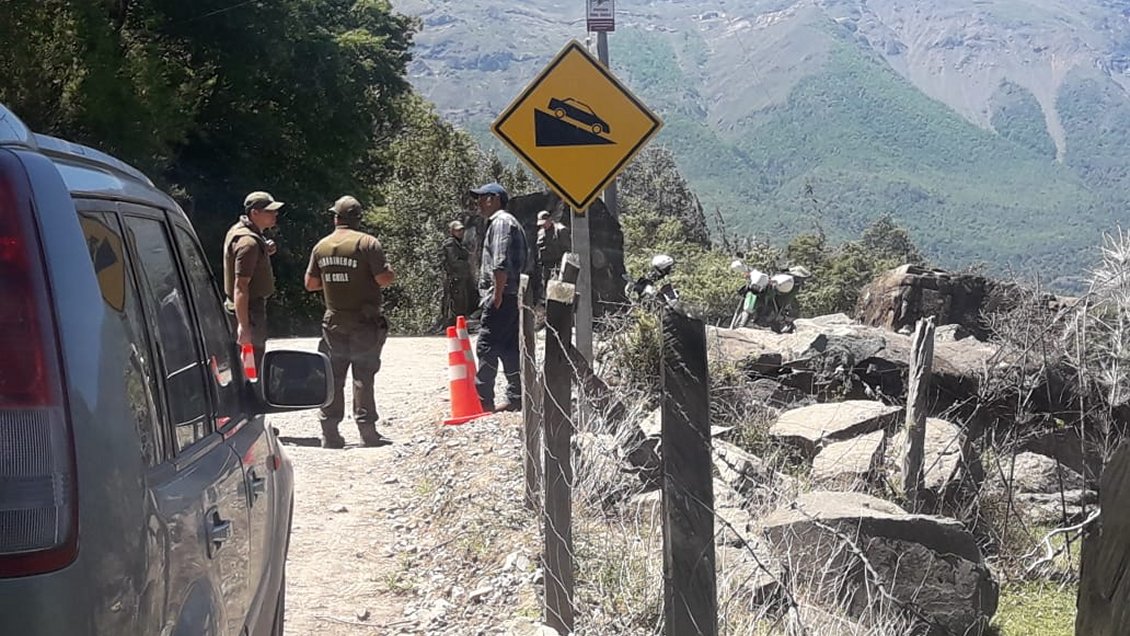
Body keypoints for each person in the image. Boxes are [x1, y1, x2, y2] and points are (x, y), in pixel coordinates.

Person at [305, 195, 397, 449]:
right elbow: (383, 279)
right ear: (358, 217)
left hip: (333, 320)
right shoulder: (368, 243)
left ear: (335, 217)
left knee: (334, 376)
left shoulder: (321, 246)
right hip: (364, 320)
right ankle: (368, 433)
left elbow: (310, 284)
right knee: (363, 375)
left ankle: (330, 433)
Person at [470, 182, 527, 412]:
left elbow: (500, 262)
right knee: (509, 347)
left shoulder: (501, 223)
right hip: (511, 296)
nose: (479, 203)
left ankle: (483, 402)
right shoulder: (510, 222)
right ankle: (516, 397)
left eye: (482, 198)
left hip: (502, 296)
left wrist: (497, 294)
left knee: (487, 346)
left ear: (493, 198)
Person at [223, 190, 282, 372]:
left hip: (244, 308)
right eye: (269, 211)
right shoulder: (248, 243)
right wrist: (244, 326)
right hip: (248, 311)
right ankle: (251, 396)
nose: (275, 214)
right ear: (255, 213)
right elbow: (240, 286)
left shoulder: (243, 233)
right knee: (251, 366)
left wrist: (264, 249)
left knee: (249, 363)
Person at [439, 219, 477, 327]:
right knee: (457, 304)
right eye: (457, 230)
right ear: (452, 231)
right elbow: (454, 262)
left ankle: (459, 326)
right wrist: (467, 264)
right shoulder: (450, 243)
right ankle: (454, 326)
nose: (460, 233)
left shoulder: (458, 244)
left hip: (461, 278)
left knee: (462, 303)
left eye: (461, 230)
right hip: (455, 279)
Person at [536, 210, 568, 298]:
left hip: (558, 265)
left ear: (550, 219)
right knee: (547, 289)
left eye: (544, 223)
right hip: (546, 266)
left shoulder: (560, 230)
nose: (543, 225)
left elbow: (567, 251)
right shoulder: (541, 233)